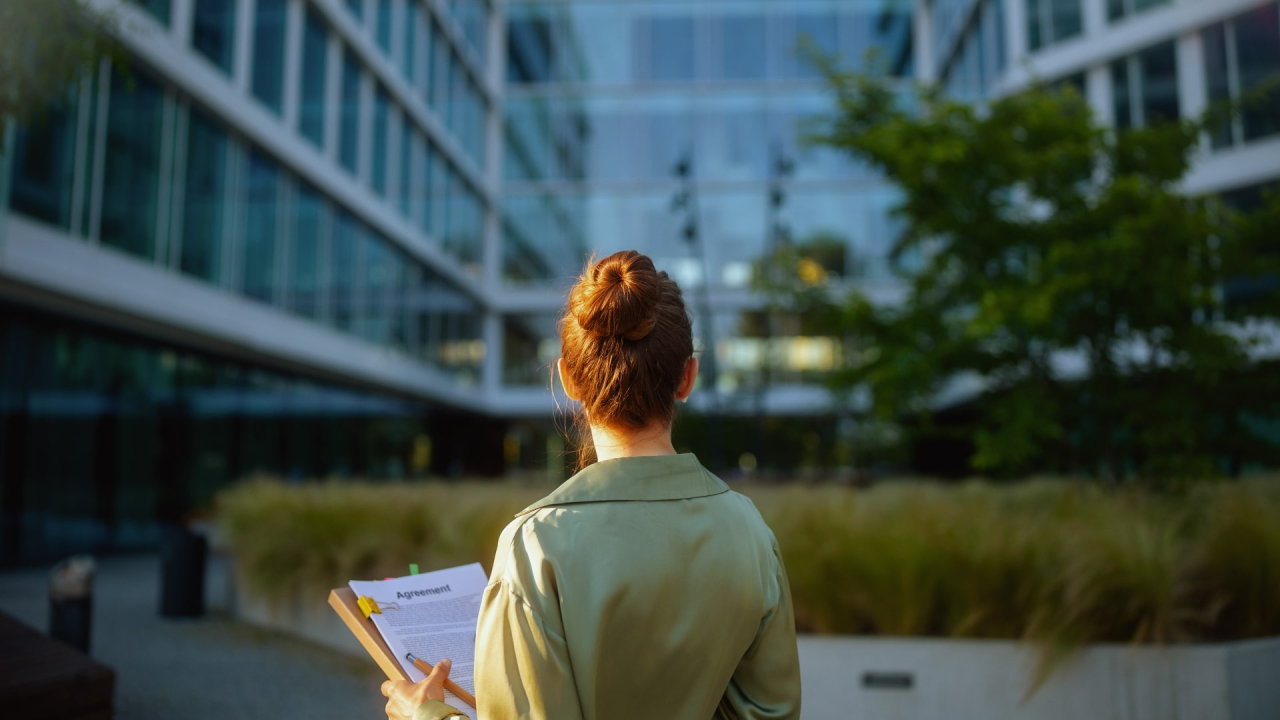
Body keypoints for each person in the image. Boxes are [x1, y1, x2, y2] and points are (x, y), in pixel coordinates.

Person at [381, 250, 802, 720]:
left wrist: (426, 714)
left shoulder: (537, 544)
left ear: (568, 379)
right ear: (687, 378)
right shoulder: (750, 532)